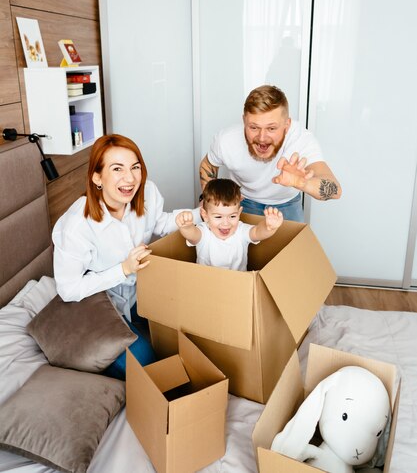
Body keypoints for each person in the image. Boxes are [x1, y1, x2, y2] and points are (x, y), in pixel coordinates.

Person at [52, 133, 199, 380]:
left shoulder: (147, 192)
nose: (130, 178)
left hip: (135, 295)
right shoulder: (77, 225)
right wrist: (123, 269)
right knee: (146, 363)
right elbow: (68, 289)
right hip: (97, 306)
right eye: (117, 169)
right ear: (97, 177)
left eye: (135, 167)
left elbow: (160, 223)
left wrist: (201, 214)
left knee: (185, 335)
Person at [199, 85, 341, 222]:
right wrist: (209, 202)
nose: (262, 138)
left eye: (271, 128)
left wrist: (302, 183)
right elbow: (208, 165)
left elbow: (336, 190)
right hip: (242, 202)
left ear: (287, 125)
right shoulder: (227, 140)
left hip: (287, 204)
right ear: (244, 121)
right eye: (254, 127)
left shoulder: (301, 140)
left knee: (291, 247)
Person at [175, 178, 283, 271]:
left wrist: (269, 227)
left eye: (232, 216)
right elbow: (192, 235)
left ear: (239, 213)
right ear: (205, 215)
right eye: (218, 217)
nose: (226, 223)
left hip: (238, 284)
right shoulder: (203, 231)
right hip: (206, 283)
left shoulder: (241, 230)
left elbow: (257, 232)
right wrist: (186, 227)